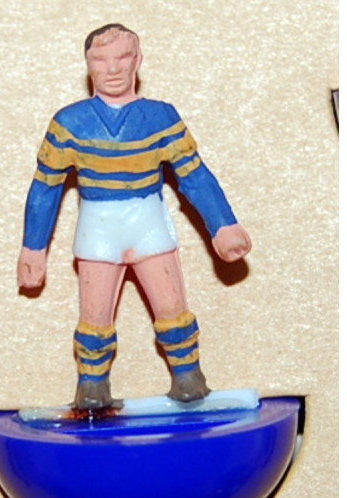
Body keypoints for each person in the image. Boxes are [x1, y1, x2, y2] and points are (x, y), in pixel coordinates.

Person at [17, 23, 251, 411]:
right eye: (101, 59)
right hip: (98, 228)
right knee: (94, 314)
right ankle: (92, 385)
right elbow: (45, 187)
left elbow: (194, 175)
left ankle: (188, 375)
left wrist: (223, 225)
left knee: (171, 304)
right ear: (88, 65)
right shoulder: (69, 122)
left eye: (123, 57)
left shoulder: (161, 117)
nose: (112, 69)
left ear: (138, 60)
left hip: (148, 222)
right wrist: (33, 248)